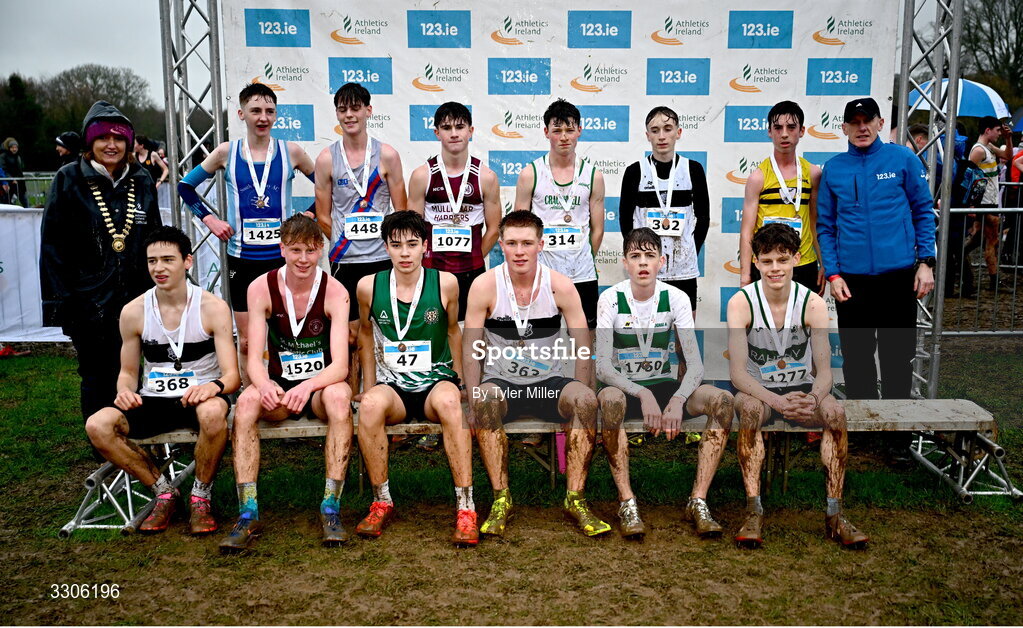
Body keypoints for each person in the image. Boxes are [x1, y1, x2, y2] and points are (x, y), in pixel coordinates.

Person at [84, 226, 239, 535]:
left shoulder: (213, 308)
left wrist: (213, 387)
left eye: (168, 259)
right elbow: (128, 372)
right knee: (97, 425)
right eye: (152, 261)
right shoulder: (133, 312)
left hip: (200, 397)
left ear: (188, 262)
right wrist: (124, 391)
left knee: (212, 414)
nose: (159, 268)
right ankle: (163, 491)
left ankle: (200, 497)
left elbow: (232, 375)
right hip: (154, 398)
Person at [726, 223, 868, 549]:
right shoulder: (741, 302)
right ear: (756, 262)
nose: (775, 268)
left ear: (796, 258)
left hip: (803, 389)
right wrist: (777, 403)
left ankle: (835, 513)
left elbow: (825, 372)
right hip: (758, 391)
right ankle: (753, 510)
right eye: (767, 261)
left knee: (835, 412)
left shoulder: (813, 303)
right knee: (748, 411)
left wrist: (814, 398)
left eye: (782, 259)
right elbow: (737, 374)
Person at [464, 210, 604, 538]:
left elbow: (583, 344)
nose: (520, 251)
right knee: (484, 400)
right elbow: (471, 348)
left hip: (549, 383)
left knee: (586, 400)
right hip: (503, 383)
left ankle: (575, 498)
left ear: (541, 244)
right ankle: (501, 499)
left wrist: (582, 396)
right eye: (511, 243)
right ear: (500, 245)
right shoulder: (484, 286)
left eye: (527, 243)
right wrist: (473, 398)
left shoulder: (560, 286)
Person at [219, 214, 355, 552]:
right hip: (280, 386)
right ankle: (248, 511)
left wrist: (307, 387)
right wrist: (263, 384)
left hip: (320, 386)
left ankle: (330, 507)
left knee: (340, 398)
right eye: (295, 250)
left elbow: (340, 365)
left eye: (310, 251)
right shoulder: (260, 288)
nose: (303, 259)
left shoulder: (335, 291)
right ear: (281, 249)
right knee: (247, 403)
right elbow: (253, 355)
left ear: (321, 250)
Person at [595, 227, 733, 539]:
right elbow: (602, 366)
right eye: (635, 256)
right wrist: (642, 393)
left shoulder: (677, 298)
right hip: (627, 389)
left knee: (722, 401)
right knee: (610, 399)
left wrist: (678, 400)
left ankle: (698, 500)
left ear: (662, 261)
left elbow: (695, 366)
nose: (642, 262)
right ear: (625, 263)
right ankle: (627, 502)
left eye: (650, 256)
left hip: (666, 389)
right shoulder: (610, 299)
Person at [177, 83, 316, 381]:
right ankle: (250, 393)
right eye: (255, 111)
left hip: (283, 260)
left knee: (287, 332)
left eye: (269, 111)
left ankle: (288, 390)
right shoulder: (226, 152)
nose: (262, 117)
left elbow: (326, 184)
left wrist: (310, 215)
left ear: (276, 115)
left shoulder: (290, 151)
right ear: (241, 114)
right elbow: (185, 187)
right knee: (249, 338)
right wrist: (210, 220)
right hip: (242, 259)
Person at [354, 211, 476, 545]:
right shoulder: (368, 286)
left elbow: (453, 331)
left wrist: (461, 382)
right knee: (369, 407)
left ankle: (466, 506)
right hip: (392, 384)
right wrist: (367, 386)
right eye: (396, 245)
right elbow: (365, 335)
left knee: (452, 404)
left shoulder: (446, 283)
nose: (405, 253)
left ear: (426, 245)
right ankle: (382, 500)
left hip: (436, 380)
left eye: (412, 244)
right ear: (386, 248)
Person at [40, 100, 163, 433]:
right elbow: (52, 246)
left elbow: (156, 240)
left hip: (136, 299)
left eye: (119, 139)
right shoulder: (68, 180)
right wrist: (60, 306)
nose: (112, 145)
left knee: (135, 368)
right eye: (103, 138)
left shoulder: (141, 179)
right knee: (96, 372)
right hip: (86, 301)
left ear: (128, 143)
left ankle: (135, 435)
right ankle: (103, 444)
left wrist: (165, 293)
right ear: (89, 143)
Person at [817, 97, 935, 401]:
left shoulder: (903, 159)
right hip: (852, 282)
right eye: (854, 122)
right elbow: (825, 227)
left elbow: (923, 211)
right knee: (857, 360)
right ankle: (865, 435)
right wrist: (833, 274)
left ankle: (897, 438)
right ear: (843, 128)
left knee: (897, 359)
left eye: (867, 121)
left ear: (880, 123)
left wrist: (926, 262)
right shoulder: (833, 169)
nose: (861, 127)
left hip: (898, 277)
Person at [315, 82, 408, 320]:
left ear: (368, 110)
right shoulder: (326, 158)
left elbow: (401, 211)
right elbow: (323, 215)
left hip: (382, 257)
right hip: (344, 259)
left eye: (355, 108)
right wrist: (345, 240)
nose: (349, 115)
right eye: (343, 109)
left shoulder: (387, 155)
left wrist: (390, 246)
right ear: (336, 113)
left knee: (385, 326)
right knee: (350, 332)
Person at [514, 98, 605, 329]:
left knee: (586, 337)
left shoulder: (593, 175)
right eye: (557, 130)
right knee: (542, 337)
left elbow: (598, 229)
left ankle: (588, 367)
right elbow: (519, 229)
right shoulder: (530, 174)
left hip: (583, 273)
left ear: (579, 131)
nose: (564, 136)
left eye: (569, 130)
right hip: (543, 273)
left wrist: (582, 255)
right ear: (546, 132)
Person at [407, 101, 501, 322]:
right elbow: (413, 229)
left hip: (472, 271)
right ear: (437, 133)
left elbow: (495, 228)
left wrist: (475, 256)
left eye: (460, 127)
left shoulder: (486, 177)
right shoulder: (422, 175)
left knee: (473, 334)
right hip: (432, 271)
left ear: (471, 131)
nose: (454, 133)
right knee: (432, 329)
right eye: (447, 128)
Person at [619, 106, 709, 314]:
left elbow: (703, 217)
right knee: (645, 332)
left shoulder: (693, 169)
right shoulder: (634, 172)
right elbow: (625, 219)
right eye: (655, 130)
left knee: (684, 337)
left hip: (684, 270)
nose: (662, 136)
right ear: (647, 135)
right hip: (646, 268)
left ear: (678, 132)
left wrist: (690, 251)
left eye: (668, 129)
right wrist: (639, 254)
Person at [740, 101, 824, 294]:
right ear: (770, 132)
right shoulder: (758, 177)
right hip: (768, 264)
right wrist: (745, 275)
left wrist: (824, 264)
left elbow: (815, 222)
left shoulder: (813, 174)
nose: (784, 133)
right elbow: (747, 231)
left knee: (803, 322)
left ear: (802, 130)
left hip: (804, 263)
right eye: (778, 128)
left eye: (791, 127)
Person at [968, 116, 1014, 290]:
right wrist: (971, 204)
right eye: (997, 130)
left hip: (990, 201)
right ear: (987, 130)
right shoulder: (979, 150)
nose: (999, 133)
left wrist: (1008, 139)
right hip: (985, 202)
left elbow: (1008, 156)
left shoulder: (988, 147)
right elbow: (968, 176)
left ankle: (957, 257)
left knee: (979, 239)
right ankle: (994, 281)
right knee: (992, 240)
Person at [1, 137, 25, 205]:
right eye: (12, 147)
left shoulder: (17, 157)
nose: (14, 149)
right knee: (8, 202)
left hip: (19, 183)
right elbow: (3, 169)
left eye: (16, 147)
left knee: (24, 201)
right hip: (9, 183)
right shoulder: (3, 156)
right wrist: (11, 179)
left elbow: (19, 170)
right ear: (9, 148)